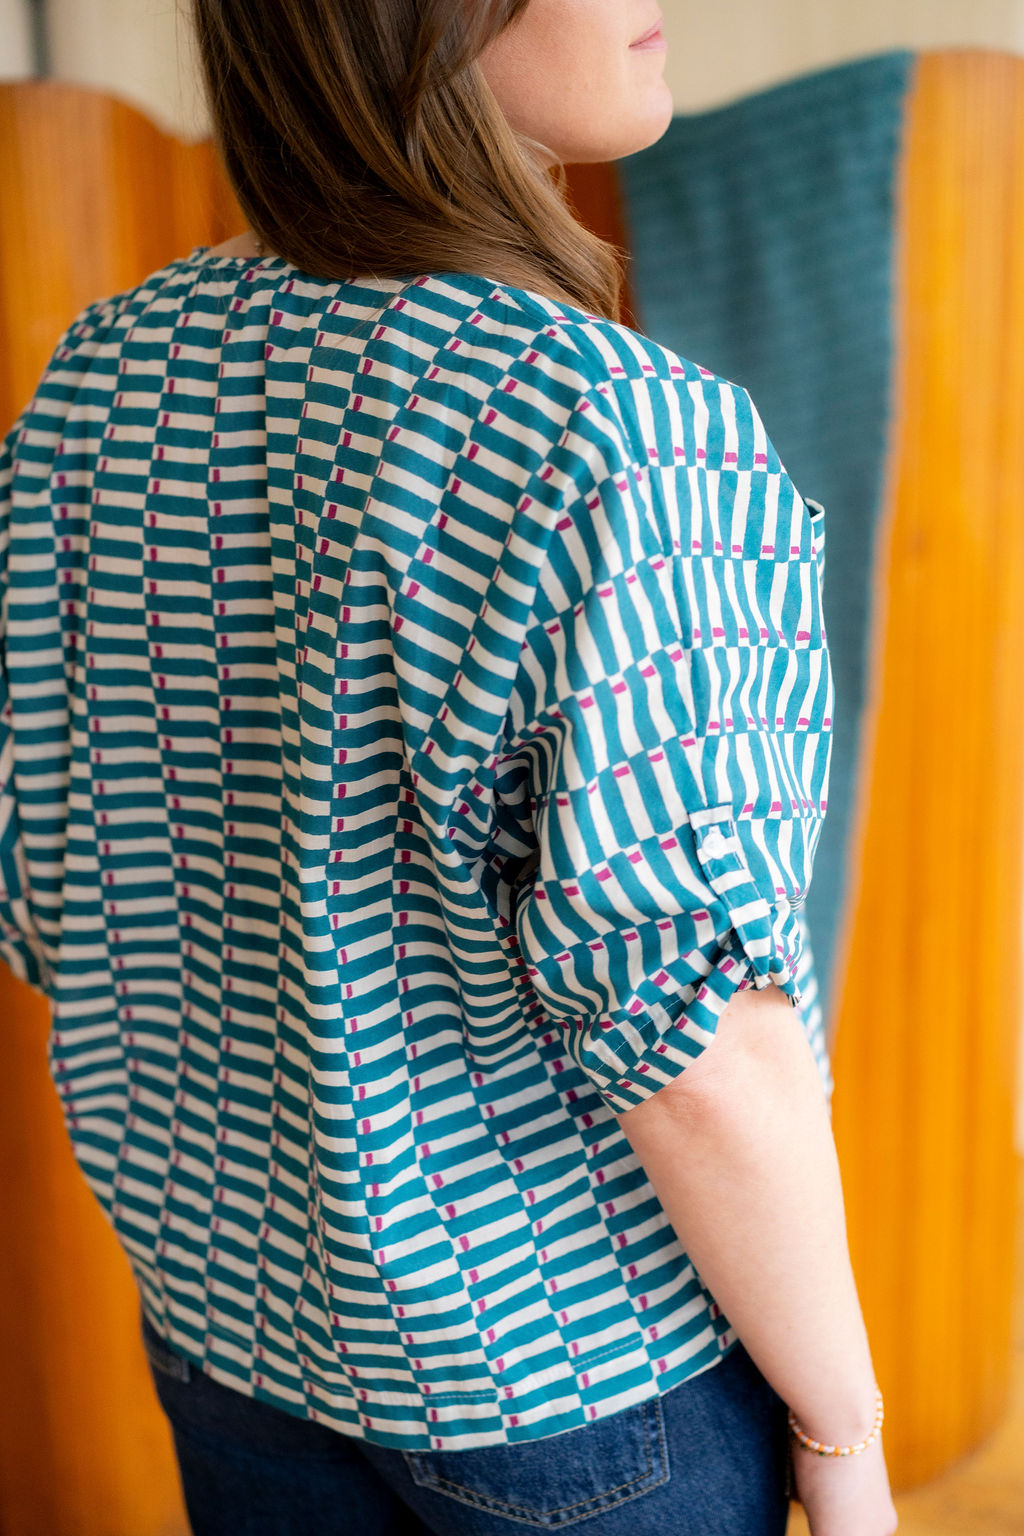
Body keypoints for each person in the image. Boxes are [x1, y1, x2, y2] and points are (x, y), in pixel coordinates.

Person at [0, 1, 898, 1532]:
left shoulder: (107, 377)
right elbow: (698, 1054)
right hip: (583, 1381)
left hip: (231, 1335)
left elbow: (46, 878)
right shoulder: (611, 427)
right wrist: (847, 1434)